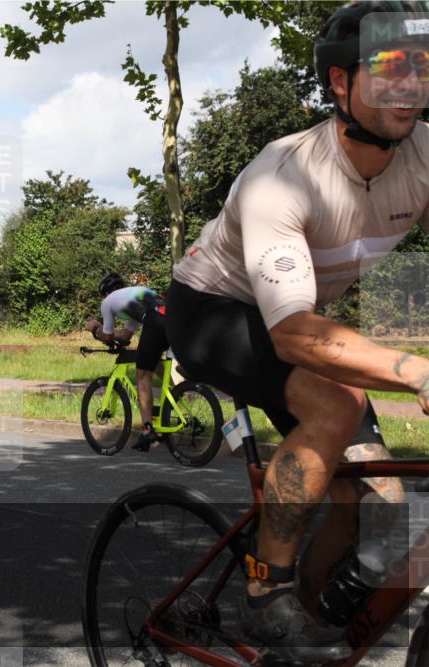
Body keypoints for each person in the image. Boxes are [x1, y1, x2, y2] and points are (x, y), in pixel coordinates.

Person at [165, 1, 429, 661]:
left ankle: (299, 632)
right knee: (334, 402)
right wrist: (414, 369)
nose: (412, 84)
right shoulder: (281, 178)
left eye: (422, 67)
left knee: (379, 501)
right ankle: (265, 591)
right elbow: (289, 337)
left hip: (299, 314)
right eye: (391, 66)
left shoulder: (423, 156)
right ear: (340, 83)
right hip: (214, 310)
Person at [86, 272, 170, 451]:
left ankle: (147, 430)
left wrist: (94, 329)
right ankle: (177, 391)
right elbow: (125, 336)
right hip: (172, 316)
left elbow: (108, 335)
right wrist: (116, 336)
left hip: (155, 321)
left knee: (142, 376)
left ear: (105, 293)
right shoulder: (133, 295)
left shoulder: (108, 302)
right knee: (151, 361)